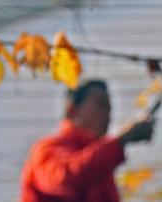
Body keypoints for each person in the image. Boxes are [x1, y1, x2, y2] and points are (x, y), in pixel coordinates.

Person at [20, 80, 154, 202]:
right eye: (100, 104)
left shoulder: (100, 165)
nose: (107, 113)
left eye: (109, 108)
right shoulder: (47, 148)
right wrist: (121, 140)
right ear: (72, 110)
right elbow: (64, 178)